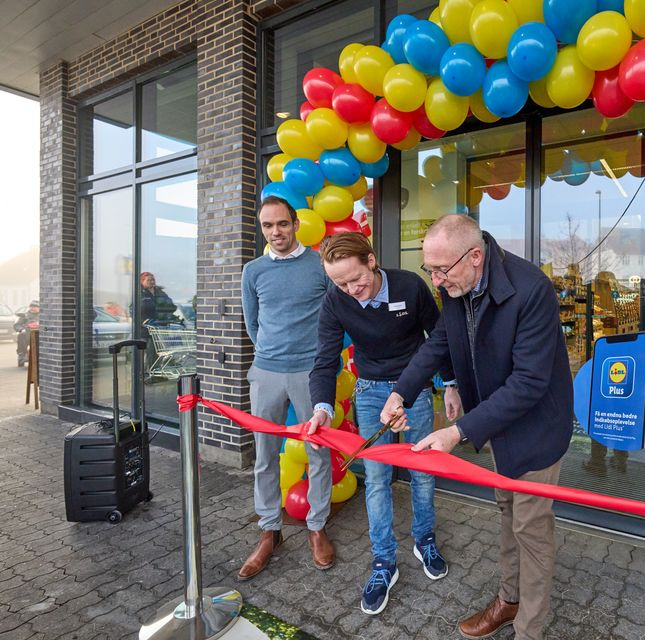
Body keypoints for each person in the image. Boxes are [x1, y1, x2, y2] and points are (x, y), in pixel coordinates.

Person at [382, 214, 574, 640]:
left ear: (474, 256)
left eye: (440, 270)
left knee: (531, 529)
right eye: (427, 269)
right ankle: (509, 601)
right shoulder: (458, 282)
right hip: (495, 422)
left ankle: (529, 629)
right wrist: (402, 392)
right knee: (507, 512)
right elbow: (441, 343)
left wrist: (457, 432)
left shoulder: (531, 289)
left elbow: (529, 383)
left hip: (536, 428)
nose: (434, 281)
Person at [305, 232, 461, 615]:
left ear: (371, 261)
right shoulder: (337, 299)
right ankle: (383, 563)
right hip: (371, 391)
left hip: (416, 388)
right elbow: (325, 358)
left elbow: (439, 337)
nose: (350, 290)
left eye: (355, 279)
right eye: (340, 283)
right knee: (376, 479)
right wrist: (322, 407)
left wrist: (452, 384)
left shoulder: (411, 285)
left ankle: (424, 540)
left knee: (423, 472)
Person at [238, 195, 335, 580]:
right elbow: (253, 323)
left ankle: (317, 526)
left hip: (312, 374)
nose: (275, 232)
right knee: (264, 454)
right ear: (262, 229)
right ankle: (269, 530)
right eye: (267, 226)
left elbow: (332, 319)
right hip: (267, 373)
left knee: (318, 453)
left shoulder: (319, 267)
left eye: (281, 223)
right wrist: (271, 352)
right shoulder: (253, 271)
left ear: (295, 224)